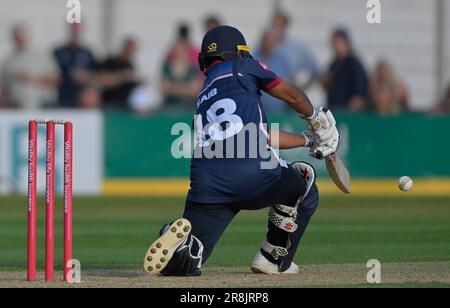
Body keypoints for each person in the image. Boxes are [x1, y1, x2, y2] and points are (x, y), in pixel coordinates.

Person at [143, 26, 340, 276]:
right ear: (237, 52)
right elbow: (291, 95)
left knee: (191, 260)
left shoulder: (203, 96)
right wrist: (315, 119)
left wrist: (307, 140)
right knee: (304, 179)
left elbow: (262, 136)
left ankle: (182, 248)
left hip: (207, 182)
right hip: (253, 173)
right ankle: (272, 257)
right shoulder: (242, 67)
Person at [0, 24, 59, 109]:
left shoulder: (41, 56)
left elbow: (55, 79)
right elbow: (4, 87)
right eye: (17, 37)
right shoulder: (8, 61)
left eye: (21, 36)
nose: (19, 40)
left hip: (41, 106)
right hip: (15, 107)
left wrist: (33, 79)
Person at [322, 28, 369, 112]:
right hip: (335, 107)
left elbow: (360, 83)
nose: (336, 45)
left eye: (339, 42)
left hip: (348, 108)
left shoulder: (352, 62)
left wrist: (358, 97)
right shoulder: (334, 64)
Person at [53, 23, 97, 107]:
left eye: (77, 29)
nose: (75, 32)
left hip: (83, 100)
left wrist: (86, 75)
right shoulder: (59, 52)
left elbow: (95, 74)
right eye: (73, 29)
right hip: (64, 97)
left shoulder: (87, 53)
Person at [161, 33, 203, 111]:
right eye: (177, 50)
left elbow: (194, 91)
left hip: (189, 107)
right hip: (170, 107)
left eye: (182, 50)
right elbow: (165, 89)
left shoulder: (193, 69)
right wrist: (186, 88)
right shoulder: (167, 68)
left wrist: (173, 88)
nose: (179, 53)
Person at [97, 37, 141, 109]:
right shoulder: (111, 61)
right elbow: (102, 80)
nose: (130, 51)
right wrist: (122, 76)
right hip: (109, 103)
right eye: (129, 48)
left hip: (125, 105)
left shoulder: (130, 65)